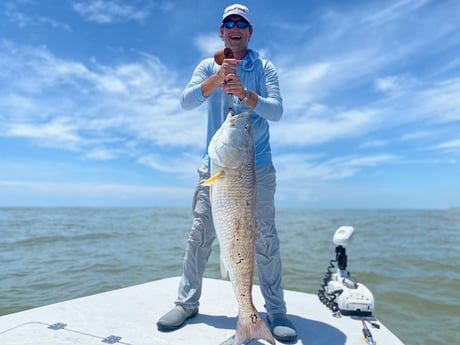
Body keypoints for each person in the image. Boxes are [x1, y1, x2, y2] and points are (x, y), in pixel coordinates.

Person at [156, 4, 297, 343]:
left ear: (250, 32)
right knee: (199, 236)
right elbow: (186, 101)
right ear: (221, 32)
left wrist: (247, 95)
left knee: (264, 239)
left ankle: (274, 310)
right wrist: (218, 79)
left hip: (256, 169)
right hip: (216, 169)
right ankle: (187, 302)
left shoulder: (264, 68)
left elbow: (276, 110)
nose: (235, 28)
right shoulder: (208, 65)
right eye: (229, 23)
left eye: (242, 23)